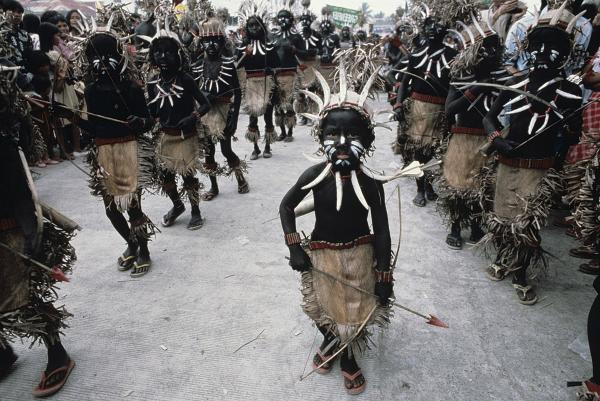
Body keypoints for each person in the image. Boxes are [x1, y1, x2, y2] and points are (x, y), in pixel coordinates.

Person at [280, 66, 393, 395]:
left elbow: (382, 229)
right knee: (323, 306)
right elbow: (286, 207)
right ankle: (331, 338)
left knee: (356, 310)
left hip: (360, 254)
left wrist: (383, 274)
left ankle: (346, 358)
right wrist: (294, 248)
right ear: (320, 137)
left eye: (353, 135)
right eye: (332, 134)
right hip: (321, 254)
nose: (342, 143)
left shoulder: (371, 185)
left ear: (368, 140)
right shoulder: (313, 175)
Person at [482, 3, 583, 304]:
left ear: (565, 53)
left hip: (539, 165)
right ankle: (502, 257)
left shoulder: (570, 91)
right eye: (537, 43)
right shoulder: (515, 82)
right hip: (508, 158)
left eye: (552, 46)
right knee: (503, 215)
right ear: (526, 46)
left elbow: (571, 135)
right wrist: (496, 139)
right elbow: (490, 117)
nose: (542, 51)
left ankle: (521, 271)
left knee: (526, 222)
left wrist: (568, 131)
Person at [0, 58, 75, 398]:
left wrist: (32, 237)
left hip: (10, 228)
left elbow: (21, 192)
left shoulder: (3, 145)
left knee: (24, 299)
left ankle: (57, 352)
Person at [66, 30, 158, 277]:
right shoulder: (92, 91)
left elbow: (149, 121)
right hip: (103, 151)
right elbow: (94, 126)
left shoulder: (131, 88)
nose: (102, 62)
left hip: (129, 149)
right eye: (96, 56)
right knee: (111, 209)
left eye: (108, 55)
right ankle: (132, 243)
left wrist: (140, 121)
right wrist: (71, 118)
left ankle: (145, 250)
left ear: (120, 56)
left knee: (133, 207)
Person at [144, 19, 211, 230]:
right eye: (158, 52)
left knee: (188, 177)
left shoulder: (186, 79)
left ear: (178, 55)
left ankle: (196, 211)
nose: (163, 57)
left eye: (168, 52)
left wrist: (193, 117)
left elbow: (205, 104)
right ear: (152, 56)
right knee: (165, 177)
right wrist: (142, 119)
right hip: (165, 136)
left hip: (186, 136)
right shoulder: (153, 83)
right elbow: (153, 113)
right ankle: (177, 205)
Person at [393, 6, 457, 207]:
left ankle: (428, 185)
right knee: (418, 151)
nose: (431, 29)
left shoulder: (454, 56)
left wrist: (451, 111)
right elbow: (405, 82)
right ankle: (420, 188)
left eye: (436, 25)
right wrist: (398, 103)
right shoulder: (416, 54)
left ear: (445, 31)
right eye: (428, 25)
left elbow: (455, 87)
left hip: (441, 110)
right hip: (418, 108)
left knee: (435, 151)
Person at [193, 17, 249, 200]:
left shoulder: (228, 64)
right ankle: (214, 187)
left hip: (224, 112)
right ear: (201, 42)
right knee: (209, 153)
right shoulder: (198, 65)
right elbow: (194, 91)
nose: (211, 45)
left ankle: (241, 178)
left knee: (226, 150)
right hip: (205, 114)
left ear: (222, 42)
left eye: (215, 40)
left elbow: (238, 93)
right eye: (207, 40)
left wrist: (233, 120)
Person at [236, 0, 280, 160]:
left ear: (262, 26)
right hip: (251, 85)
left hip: (267, 84)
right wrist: (244, 55)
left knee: (268, 116)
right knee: (253, 117)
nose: (254, 28)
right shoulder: (243, 46)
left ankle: (267, 146)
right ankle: (255, 148)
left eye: (256, 25)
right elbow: (236, 66)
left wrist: (271, 70)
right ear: (247, 28)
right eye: (251, 25)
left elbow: (277, 65)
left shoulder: (269, 46)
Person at [3, 0, 32, 70]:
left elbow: (30, 56)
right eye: (13, 11)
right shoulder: (1, 34)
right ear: (3, 13)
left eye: (19, 12)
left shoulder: (25, 35)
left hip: (26, 72)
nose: (16, 15)